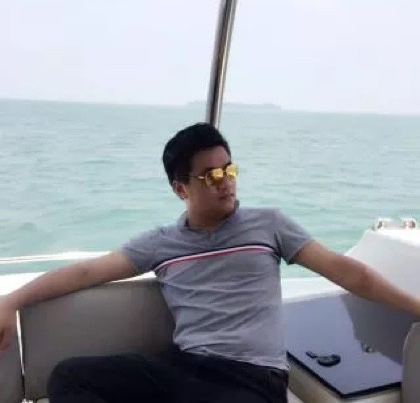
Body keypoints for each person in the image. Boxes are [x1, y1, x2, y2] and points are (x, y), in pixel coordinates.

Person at [0, 122, 419, 403]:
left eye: (228, 170)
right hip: (184, 367)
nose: (226, 182)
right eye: (211, 176)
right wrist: (11, 300)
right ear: (181, 189)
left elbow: (350, 273)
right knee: (68, 377)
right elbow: (86, 272)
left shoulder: (269, 225)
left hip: (252, 379)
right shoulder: (161, 243)